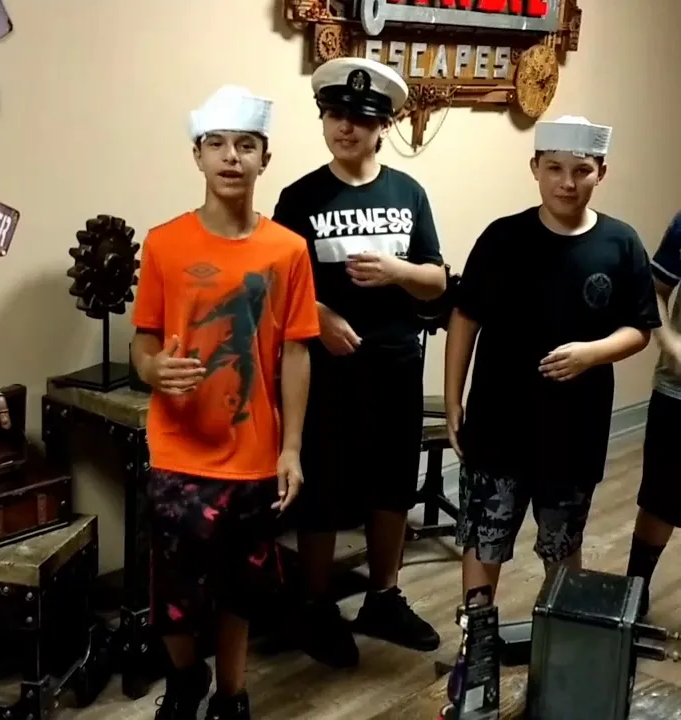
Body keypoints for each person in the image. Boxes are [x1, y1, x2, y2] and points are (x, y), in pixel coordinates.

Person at [444, 115, 660, 695]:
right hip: (499, 422)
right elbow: (465, 317)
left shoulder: (620, 243)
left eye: (581, 170)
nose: (567, 182)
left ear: (600, 172)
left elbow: (639, 327)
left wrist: (593, 353)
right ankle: (476, 649)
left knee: (563, 542)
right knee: (484, 536)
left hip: (573, 430)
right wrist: (453, 399)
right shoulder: (502, 239)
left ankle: (564, 649)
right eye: (555, 169)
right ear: (535, 169)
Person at [130, 85, 320, 720]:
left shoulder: (288, 250)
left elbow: (296, 351)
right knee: (174, 590)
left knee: (242, 588)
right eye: (217, 145)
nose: (231, 157)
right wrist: (152, 369)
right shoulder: (165, 243)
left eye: (245, 146)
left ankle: (232, 695)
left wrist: (291, 448)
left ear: (265, 157)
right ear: (198, 156)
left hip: (254, 451)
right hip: (179, 447)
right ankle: (186, 678)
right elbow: (143, 338)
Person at [272, 57, 447, 669]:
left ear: (384, 126)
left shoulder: (408, 194)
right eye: (335, 115)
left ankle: (383, 596)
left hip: (394, 363)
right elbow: (276, 284)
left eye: (361, 118)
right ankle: (315, 603)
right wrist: (317, 314)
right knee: (321, 486)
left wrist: (399, 271)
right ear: (323, 119)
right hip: (324, 370)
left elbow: (436, 280)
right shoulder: (300, 197)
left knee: (391, 482)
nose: (346, 127)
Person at [626, 210, 681, 619]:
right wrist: (673, 346)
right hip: (678, 393)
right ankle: (634, 590)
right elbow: (654, 290)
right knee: (661, 501)